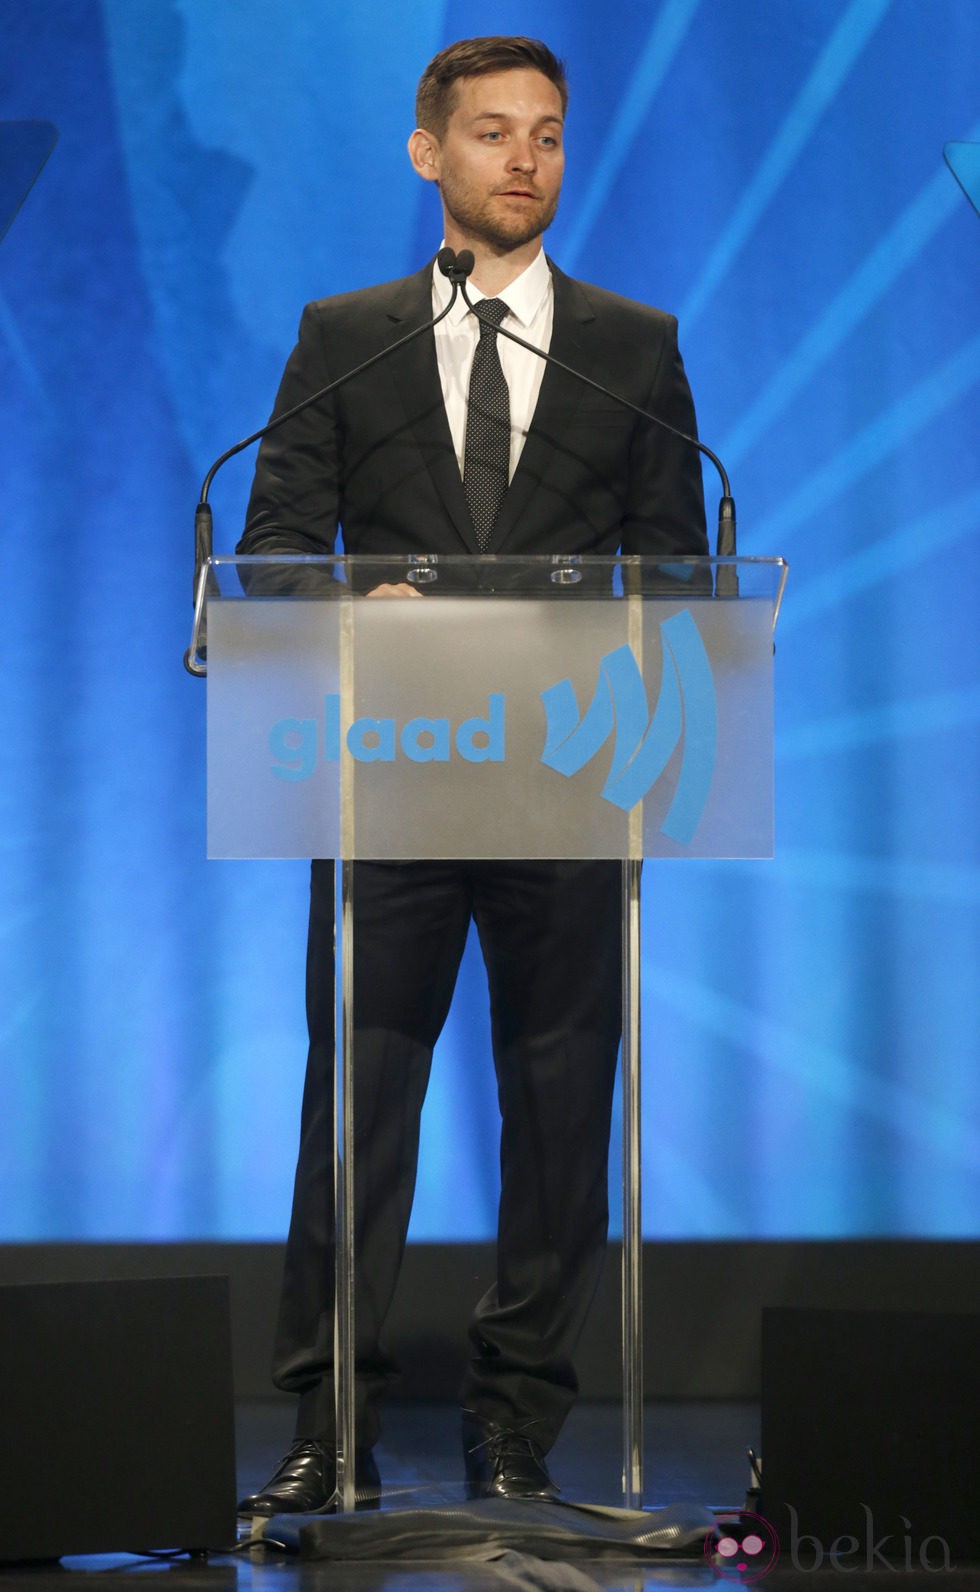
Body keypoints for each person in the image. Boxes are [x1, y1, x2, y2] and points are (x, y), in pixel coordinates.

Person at [236, 35, 707, 1515]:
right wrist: (345, 601)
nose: (526, 160)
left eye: (550, 135)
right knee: (357, 1106)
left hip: (570, 782)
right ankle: (333, 1423)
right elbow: (267, 547)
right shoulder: (346, 336)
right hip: (390, 771)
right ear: (426, 153)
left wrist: (623, 615)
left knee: (561, 1113)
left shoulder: (632, 345)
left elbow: (683, 563)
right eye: (494, 132)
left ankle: (516, 1424)